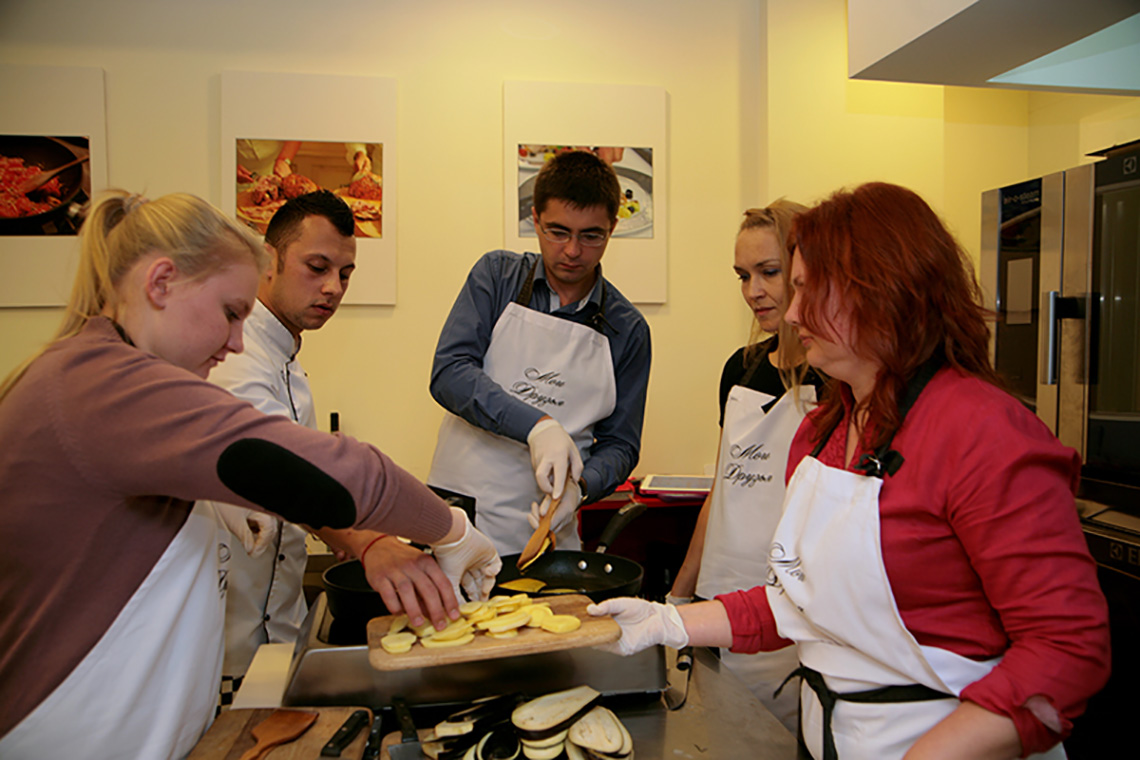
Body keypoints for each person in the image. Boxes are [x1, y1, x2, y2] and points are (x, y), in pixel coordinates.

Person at [590, 183, 1110, 759]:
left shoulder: (985, 432)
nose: (789, 311)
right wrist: (669, 622)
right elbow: (802, 602)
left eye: (808, 289)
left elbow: (1068, 648)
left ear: (880, 290)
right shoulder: (824, 433)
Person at [0, 190, 501, 760]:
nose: (238, 340)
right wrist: (452, 529)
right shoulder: (105, 385)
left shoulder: (91, 373)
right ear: (161, 283)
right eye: (231, 313)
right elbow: (343, 473)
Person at [204, 190, 456, 706]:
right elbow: (279, 475)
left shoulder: (289, 361)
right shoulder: (239, 357)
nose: (332, 287)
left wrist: (362, 532)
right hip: (226, 642)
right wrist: (368, 542)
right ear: (268, 259)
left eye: (345, 274)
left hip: (277, 628)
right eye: (317, 267)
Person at [428, 150, 652, 555]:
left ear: (612, 228)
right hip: (464, 516)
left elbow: (621, 444)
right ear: (535, 219)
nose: (571, 250)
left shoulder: (628, 329)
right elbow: (449, 373)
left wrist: (579, 490)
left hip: (552, 528)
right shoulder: (497, 277)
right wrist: (537, 426)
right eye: (557, 231)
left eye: (591, 236)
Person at [666, 200, 818, 732]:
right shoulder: (742, 368)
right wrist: (679, 592)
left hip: (791, 614)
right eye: (743, 276)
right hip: (719, 598)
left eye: (769, 273)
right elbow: (724, 490)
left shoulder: (838, 382)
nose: (754, 290)